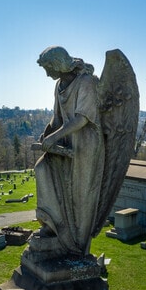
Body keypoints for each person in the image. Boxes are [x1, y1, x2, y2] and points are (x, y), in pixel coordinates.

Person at [33, 46, 105, 257]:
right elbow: (57, 118)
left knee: (80, 196)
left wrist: (54, 137)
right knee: (42, 168)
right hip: (66, 140)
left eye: (48, 68)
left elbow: (82, 119)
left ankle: (76, 245)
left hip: (86, 145)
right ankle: (53, 226)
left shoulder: (86, 82)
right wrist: (47, 132)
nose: (47, 73)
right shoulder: (59, 85)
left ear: (57, 64)